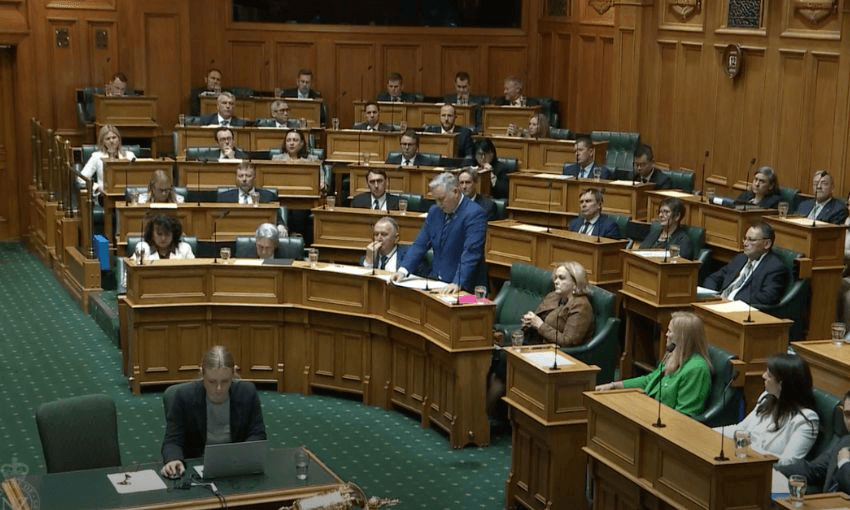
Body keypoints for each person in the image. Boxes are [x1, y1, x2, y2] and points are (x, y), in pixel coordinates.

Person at [487, 261, 595, 415]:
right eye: (555, 277)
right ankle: (491, 411)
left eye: (562, 278)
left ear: (575, 282)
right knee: (493, 354)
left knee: (505, 359)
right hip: (536, 342)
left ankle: (485, 414)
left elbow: (569, 340)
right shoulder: (554, 296)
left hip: (555, 353)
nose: (556, 281)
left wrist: (539, 325)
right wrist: (530, 321)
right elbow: (540, 319)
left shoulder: (581, 306)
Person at [160, 345, 267, 478]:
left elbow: (257, 434)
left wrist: (243, 456)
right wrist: (173, 459)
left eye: (225, 381)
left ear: (233, 374)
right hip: (196, 469)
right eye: (211, 381)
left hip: (236, 467)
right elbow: (172, 440)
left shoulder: (247, 393)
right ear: (202, 373)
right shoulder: (183, 396)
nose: (218, 388)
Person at [595, 311, 711, 417]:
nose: (666, 334)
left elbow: (684, 414)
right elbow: (649, 380)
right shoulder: (672, 357)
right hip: (649, 412)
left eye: (670, 331)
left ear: (682, 338)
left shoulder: (696, 369)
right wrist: (613, 386)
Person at [390, 172, 487, 294]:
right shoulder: (435, 211)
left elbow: (471, 252)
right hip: (437, 282)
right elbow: (420, 244)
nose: (438, 204)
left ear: (456, 192)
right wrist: (403, 270)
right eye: (435, 200)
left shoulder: (474, 213)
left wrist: (458, 282)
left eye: (441, 199)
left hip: (467, 287)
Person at [720, 353, 818, 466]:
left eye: (769, 375)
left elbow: (788, 462)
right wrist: (709, 433)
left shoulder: (806, 420)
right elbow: (740, 430)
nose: (763, 376)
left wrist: (749, 450)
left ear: (782, 384)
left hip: (769, 475)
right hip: (743, 462)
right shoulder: (766, 398)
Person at [776, 389, 850, 492]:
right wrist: (773, 469)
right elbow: (814, 470)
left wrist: (844, 463)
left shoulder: (844, 454)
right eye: (848, 414)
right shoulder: (845, 442)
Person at [703, 222, 790, 305]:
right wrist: (712, 295)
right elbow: (713, 278)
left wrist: (732, 299)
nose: (745, 243)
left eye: (751, 240)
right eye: (745, 238)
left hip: (740, 310)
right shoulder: (740, 258)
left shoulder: (774, 267)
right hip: (718, 302)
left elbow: (768, 297)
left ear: (766, 244)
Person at [80, 124, 136, 197]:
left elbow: (137, 176)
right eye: (108, 139)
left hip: (127, 194)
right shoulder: (96, 157)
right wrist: (97, 188)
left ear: (119, 139)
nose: (111, 141)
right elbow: (81, 178)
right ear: (103, 141)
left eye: (114, 137)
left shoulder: (130, 156)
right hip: (105, 195)